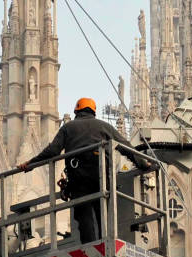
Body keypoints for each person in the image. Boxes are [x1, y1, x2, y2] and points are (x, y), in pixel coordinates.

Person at [17, 98, 151, 243]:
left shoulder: (68, 128)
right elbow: (126, 146)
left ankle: (90, 246)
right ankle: (105, 242)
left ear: (77, 111)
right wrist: (143, 164)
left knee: (84, 214)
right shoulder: (104, 126)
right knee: (102, 211)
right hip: (101, 176)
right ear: (93, 111)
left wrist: (30, 164)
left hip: (78, 177)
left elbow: (52, 151)